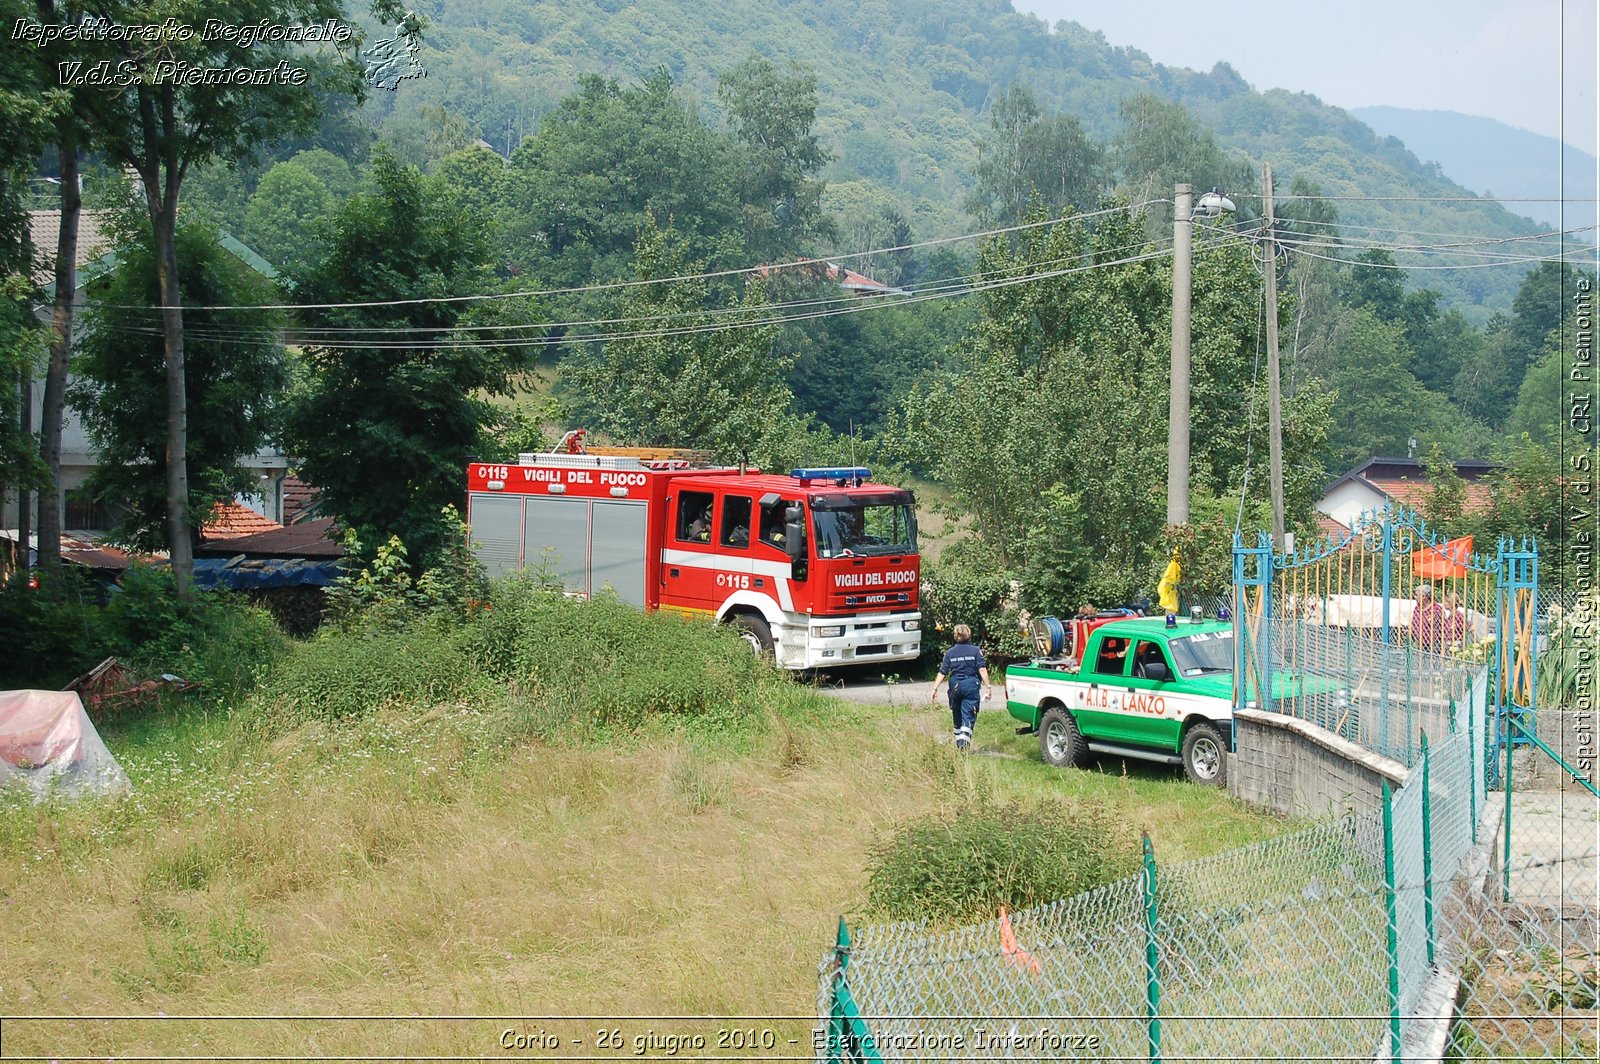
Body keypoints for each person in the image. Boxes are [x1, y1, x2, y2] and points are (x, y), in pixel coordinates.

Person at [930, 624, 992, 751]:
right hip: (971, 686)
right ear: (968, 635)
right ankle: (963, 746)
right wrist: (988, 687)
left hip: (955, 687)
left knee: (957, 716)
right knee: (968, 716)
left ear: (955, 636)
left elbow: (942, 672)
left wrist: (934, 689)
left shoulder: (950, 653)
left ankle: (959, 745)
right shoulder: (975, 651)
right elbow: (982, 669)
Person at [1409, 584, 1444, 651]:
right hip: (1419, 643)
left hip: (1434, 645)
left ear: (1424, 597)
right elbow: (1413, 624)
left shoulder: (1436, 609)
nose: (1415, 597)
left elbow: (1442, 628)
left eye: (1416, 595)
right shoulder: (1417, 608)